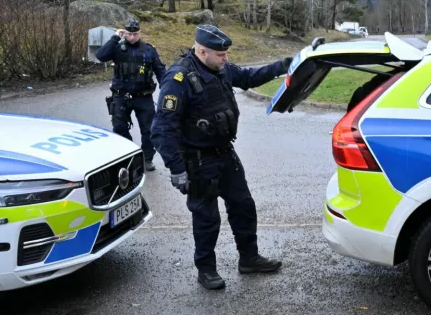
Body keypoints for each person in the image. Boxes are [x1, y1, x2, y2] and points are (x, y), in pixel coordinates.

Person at [151, 25, 294, 290]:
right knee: (206, 219)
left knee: (243, 206)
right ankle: (206, 270)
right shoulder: (178, 80)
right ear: (202, 51)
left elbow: (250, 77)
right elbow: (161, 129)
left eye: (226, 54)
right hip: (197, 160)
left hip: (225, 153)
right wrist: (177, 168)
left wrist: (285, 65)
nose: (226, 59)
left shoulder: (219, 68)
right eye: (221, 54)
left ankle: (249, 258)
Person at [96, 18, 167, 172]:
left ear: (139, 33)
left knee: (149, 130)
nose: (132, 37)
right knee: (119, 127)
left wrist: (167, 89)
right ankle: (128, 156)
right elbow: (100, 56)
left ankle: (147, 158)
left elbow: (160, 70)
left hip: (143, 96)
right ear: (124, 33)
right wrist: (115, 37)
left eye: (135, 34)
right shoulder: (117, 47)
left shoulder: (148, 50)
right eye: (129, 34)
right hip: (121, 96)